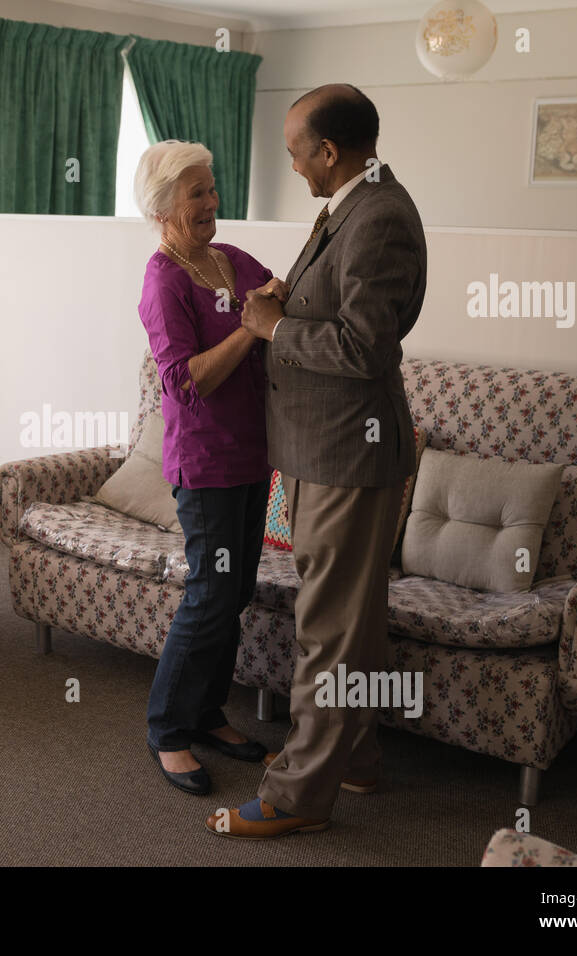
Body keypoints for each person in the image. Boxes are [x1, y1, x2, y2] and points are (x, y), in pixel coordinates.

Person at [207, 84, 427, 837]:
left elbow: (366, 349)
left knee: (327, 630)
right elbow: (330, 312)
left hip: (347, 452)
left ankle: (298, 796)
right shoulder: (349, 207)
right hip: (315, 450)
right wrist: (281, 303)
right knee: (350, 621)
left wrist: (271, 327)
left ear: (329, 151)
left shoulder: (381, 219)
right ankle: (356, 757)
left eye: (296, 151)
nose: (293, 164)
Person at [134, 140, 290, 795]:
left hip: (254, 458)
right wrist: (251, 330)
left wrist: (276, 300)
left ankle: (206, 714)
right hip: (205, 467)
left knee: (233, 594)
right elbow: (184, 382)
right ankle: (168, 729)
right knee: (208, 596)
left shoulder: (228, 261)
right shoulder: (164, 280)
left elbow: (281, 290)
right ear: (165, 206)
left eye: (211, 188)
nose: (211, 201)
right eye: (197, 192)